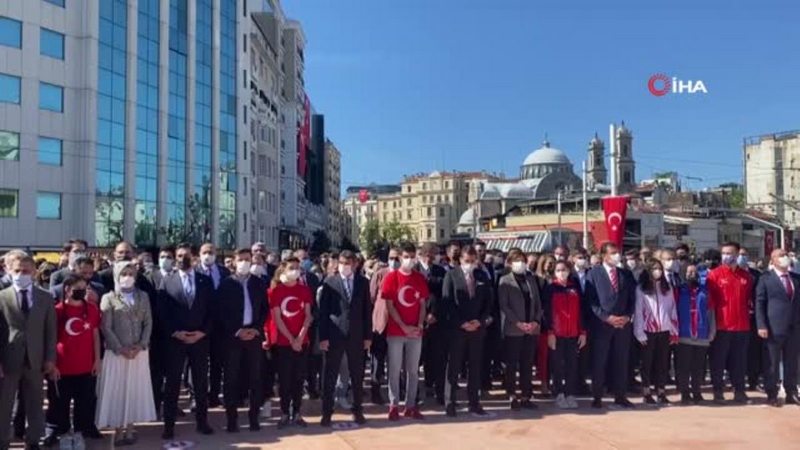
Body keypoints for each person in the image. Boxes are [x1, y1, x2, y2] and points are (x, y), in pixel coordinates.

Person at [94, 262, 155, 445]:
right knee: (118, 390)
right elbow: (106, 327)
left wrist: (141, 344)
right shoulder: (108, 297)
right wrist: (120, 348)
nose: (127, 277)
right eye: (123, 273)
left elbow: (148, 322)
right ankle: (118, 429)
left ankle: (130, 427)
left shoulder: (143, 296)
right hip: (117, 353)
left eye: (131, 273)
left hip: (138, 353)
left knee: (134, 389)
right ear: (116, 275)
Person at [158, 243, 215, 439]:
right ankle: (169, 426)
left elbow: (211, 311)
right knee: (173, 383)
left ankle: (202, 421)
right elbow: (162, 312)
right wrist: (175, 332)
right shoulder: (167, 281)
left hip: (199, 339)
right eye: (179, 256)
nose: (183, 259)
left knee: (200, 382)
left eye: (187, 255)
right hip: (176, 340)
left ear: (194, 257)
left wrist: (203, 332)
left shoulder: (205, 280)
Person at [0, 250, 55, 450]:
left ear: (33, 272)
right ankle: (2, 440)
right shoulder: (2, 296)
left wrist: (50, 358)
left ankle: (33, 440)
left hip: (36, 359)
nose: (21, 274)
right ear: (9, 270)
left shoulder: (45, 297)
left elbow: (50, 331)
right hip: (9, 358)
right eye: (17, 270)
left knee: (35, 403)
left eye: (26, 271)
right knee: (4, 404)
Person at [44, 275, 102, 447]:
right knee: (58, 403)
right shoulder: (57, 311)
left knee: (85, 402)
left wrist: (97, 359)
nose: (82, 291)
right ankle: (58, 430)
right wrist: (52, 364)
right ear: (67, 290)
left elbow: (95, 335)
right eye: (78, 288)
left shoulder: (91, 309)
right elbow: (50, 339)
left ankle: (83, 430)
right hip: (62, 367)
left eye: (84, 287)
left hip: (85, 365)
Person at [319, 251, 373, 427]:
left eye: (348, 263)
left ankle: (358, 410)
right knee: (330, 376)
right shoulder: (329, 283)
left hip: (356, 336)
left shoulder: (363, 283)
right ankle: (327, 412)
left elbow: (367, 311)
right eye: (342, 263)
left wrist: (367, 336)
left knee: (357, 376)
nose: (344, 266)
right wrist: (323, 337)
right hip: (335, 335)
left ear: (355, 264)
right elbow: (323, 313)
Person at [218, 249, 267, 431]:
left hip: (253, 336)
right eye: (241, 260)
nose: (244, 263)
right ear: (234, 262)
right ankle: (232, 419)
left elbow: (264, 309)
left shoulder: (258, 283)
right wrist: (236, 331)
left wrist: (256, 329)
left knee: (255, 378)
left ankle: (254, 417)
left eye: (247, 260)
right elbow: (221, 313)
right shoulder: (226, 285)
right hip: (233, 338)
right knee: (231, 378)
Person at [442, 245, 493, 417]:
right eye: (466, 261)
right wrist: (462, 323)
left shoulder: (482, 276)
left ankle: (474, 402)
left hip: (477, 329)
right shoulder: (451, 275)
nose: (470, 264)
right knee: (454, 366)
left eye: (473, 261)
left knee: (475, 366)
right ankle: (450, 402)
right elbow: (447, 303)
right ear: (460, 260)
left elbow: (488, 302)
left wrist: (479, 321)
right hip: (458, 329)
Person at [380, 243, 429, 421]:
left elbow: (423, 304)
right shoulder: (391, 278)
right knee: (394, 369)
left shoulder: (419, 278)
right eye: (406, 256)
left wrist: (419, 324)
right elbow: (389, 305)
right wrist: (403, 326)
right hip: (396, 331)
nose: (409, 260)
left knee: (413, 370)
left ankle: (410, 405)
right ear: (400, 257)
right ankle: (394, 405)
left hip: (415, 332)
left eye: (412, 256)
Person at [585, 242, 636, 409]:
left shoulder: (625, 274)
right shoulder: (593, 274)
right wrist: (607, 318)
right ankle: (597, 396)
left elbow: (632, 299)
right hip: (602, 326)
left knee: (621, 361)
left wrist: (627, 316)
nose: (617, 255)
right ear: (604, 255)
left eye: (618, 252)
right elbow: (591, 302)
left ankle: (620, 395)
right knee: (600, 361)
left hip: (623, 326)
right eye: (613, 253)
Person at [267, 258, 313, 429]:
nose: (295, 271)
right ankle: (285, 412)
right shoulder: (276, 291)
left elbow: (308, 315)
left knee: (299, 378)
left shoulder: (305, 290)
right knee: (285, 379)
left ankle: (298, 412)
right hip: (283, 342)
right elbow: (277, 318)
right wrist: (291, 339)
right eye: (291, 268)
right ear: (284, 270)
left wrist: (300, 337)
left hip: (302, 342)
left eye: (297, 268)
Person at [707, 242, 754, 405]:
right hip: (722, 326)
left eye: (729, 253)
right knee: (718, 361)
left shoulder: (746, 277)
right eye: (724, 253)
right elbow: (710, 302)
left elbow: (750, 299)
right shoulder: (714, 275)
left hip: (742, 326)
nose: (726, 256)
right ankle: (718, 391)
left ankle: (739, 390)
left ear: (737, 255)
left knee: (739, 361)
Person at [755, 249, 800, 407]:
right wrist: (761, 324)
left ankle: (791, 392)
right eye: (780, 256)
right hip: (773, 328)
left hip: (794, 327)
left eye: (785, 255)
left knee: (792, 362)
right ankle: (771, 393)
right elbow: (759, 303)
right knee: (772, 363)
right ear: (773, 260)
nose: (784, 258)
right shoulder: (765, 279)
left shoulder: (795, 278)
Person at [498, 250, 542, 410]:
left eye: (523, 260)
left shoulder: (531, 279)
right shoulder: (505, 281)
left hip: (531, 329)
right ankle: (512, 395)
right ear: (510, 263)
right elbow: (504, 305)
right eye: (517, 261)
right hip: (514, 329)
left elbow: (538, 303)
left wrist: (535, 321)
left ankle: (526, 396)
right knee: (512, 364)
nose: (521, 263)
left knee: (527, 363)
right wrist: (518, 322)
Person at [634, 259, 678, 405]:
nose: (657, 271)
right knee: (646, 363)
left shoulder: (667, 288)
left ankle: (661, 391)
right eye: (654, 268)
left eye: (659, 268)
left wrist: (674, 330)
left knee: (662, 363)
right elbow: (639, 311)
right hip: (648, 331)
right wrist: (639, 332)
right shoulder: (641, 289)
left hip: (664, 330)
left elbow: (673, 310)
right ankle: (646, 391)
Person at [544, 260, 586, 409]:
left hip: (573, 333)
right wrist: (550, 332)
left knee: (571, 365)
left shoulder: (574, 287)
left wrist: (582, 332)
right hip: (557, 333)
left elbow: (581, 311)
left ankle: (569, 393)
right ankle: (559, 393)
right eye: (558, 270)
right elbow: (547, 312)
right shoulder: (550, 288)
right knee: (557, 365)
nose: (562, 273)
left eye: (564, 270)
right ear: (554, 272)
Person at [195, 243, 231, 409]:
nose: (208, 255)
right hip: (200, 324)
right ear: (199, 254)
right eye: (205, 252)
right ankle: (197, 396)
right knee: (198, 363)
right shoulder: (194, 271)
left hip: (220, 325)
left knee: (217, 362)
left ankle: (215, 395)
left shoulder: (224, 272)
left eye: (211, 252)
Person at [676, 264, 715, 404]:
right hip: (684, 334)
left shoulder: (705, 292)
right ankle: (685, 393)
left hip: (701, 334)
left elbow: (711, 312)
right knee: (683, 366)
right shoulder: (679, 291)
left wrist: (712, 331)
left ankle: (697, 392)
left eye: (694, 271)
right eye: (688, 272)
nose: (691, 274)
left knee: (698, 367)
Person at [367, 247, 401, 405]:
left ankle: (397, 391)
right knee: (378, 360)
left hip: (400, 324)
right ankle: (375, 390)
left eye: (397, 258)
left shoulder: (407, 275)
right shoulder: (380, 274)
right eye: (392, 258)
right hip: (382, 323)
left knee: (396, 361)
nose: (394, 261)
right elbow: (372, 297)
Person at [418, 243, 448, 405]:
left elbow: (445, 296)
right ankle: (413, 394)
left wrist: (435, 314)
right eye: (430, 254)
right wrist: (422, 316)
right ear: (423, 254)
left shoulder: (440, 271)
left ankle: (437, 389)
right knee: (416, 359)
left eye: (435, 255)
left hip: (436, 322)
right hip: (417, 321)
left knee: (436, 357)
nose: (432, 258)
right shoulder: (414, 270)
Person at [535, 253, 556, 397]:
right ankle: (543, 383)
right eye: (548, 263)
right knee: (543, 355)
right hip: (543, 322)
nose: (550, 266)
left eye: (552, 263)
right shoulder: (536, 280)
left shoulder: (556, 279)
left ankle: (553, 382)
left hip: (557, 321)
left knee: (554, 356)